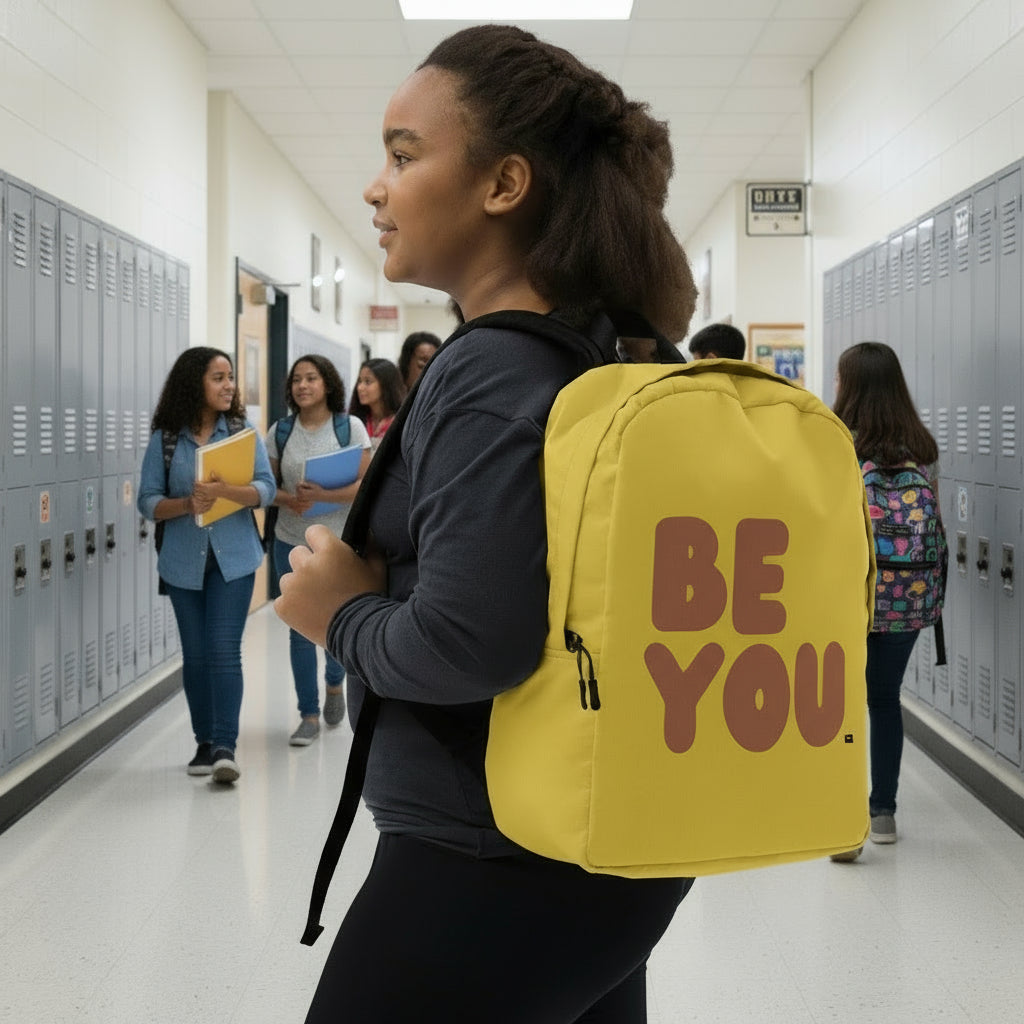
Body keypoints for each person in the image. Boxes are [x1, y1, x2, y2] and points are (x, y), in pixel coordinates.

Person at [275, 24, 697, 1023]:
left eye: (403, 153)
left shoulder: (489, 365)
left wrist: (341, 614)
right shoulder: (607, 351)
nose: (376, 187)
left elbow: (472, 641)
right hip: (602, 841)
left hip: (483, 858)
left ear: (503, 184)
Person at [138, 346, 276, 784]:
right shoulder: (166, 437)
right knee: (195, 657)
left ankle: (224, 746)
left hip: (234, 561)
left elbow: (267, 489)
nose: (229, 385)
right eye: (219, 377)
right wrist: (187, 503)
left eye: (230, 377)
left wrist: (227, 493)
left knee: (221, 651)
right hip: (182, 562)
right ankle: (202, 742)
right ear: (194, 381)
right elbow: (147, 501)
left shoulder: (242, 432)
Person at [832, 341, 943, 853]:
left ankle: (843, 826)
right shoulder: (923, 448)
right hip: (908, 597)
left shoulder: (835, 443)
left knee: (844, 704)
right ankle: (884, 815)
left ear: (848, 385)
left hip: (847, 594)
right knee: (884, 701)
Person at [266, 355, 372, 746]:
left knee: (333, 623)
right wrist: (287, 499)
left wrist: (325, 495)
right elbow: (267, 486)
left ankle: (333, 681)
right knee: (297, 628)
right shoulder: (280, 431)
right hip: (289, 538)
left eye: (311, 378)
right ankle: (307, 714)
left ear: (327, 384)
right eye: (297, 379)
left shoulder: (350, 428)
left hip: (337, 543)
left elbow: (365, 483)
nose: (303, 385)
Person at [348, 357, 404, 449]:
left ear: (385, 385)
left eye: (368, 382)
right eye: (359, 381)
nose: (360, 388)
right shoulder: (356, 421)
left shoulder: (402, 422)